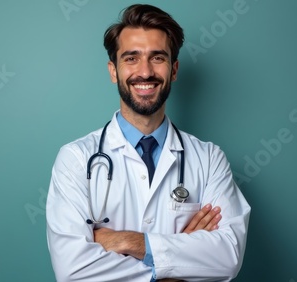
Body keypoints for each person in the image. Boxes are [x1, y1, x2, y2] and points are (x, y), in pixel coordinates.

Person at [46, 4, 250, 282]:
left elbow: (227, 257)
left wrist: (131, 241)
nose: (145, 72)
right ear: (113, 71)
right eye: (131, 58)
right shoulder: (76, 159)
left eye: (157, 58)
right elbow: (72, 270)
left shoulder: (209, 159)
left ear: (174, 69)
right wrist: (176, 262)